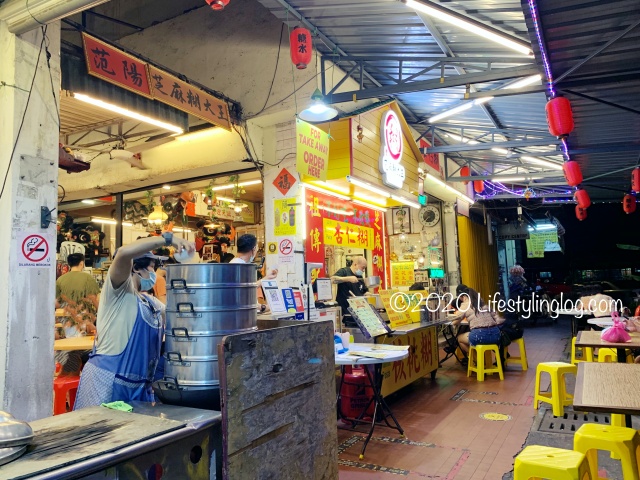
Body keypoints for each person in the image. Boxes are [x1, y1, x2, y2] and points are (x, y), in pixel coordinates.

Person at [73, 234, 194, 409]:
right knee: (100, 434)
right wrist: (168, 239)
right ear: (137, 268)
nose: (154, 274)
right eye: (152, 267)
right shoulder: (117, 292)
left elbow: (179, 318)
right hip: (107, 380)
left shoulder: (150, 303)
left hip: (138, 387)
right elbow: (123, 253)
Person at [55, 253, 101, 375]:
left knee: (70, 351)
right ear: (82, 263)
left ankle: (70, 373)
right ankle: (81, 375)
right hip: (85, 323)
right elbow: (95, 300)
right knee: (83, 350)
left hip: (65, 323)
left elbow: (55, 302)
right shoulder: (88, 278)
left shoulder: (60, 279)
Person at [447, 284, 502, 358]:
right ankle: (483, 361)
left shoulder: (465, 304)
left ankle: (478, 360)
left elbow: (454, 320)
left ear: (463, 296)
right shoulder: (483, 304)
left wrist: (448, 311)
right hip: (496, 335)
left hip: (479, 336)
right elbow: (496, 316)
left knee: (459, 338)